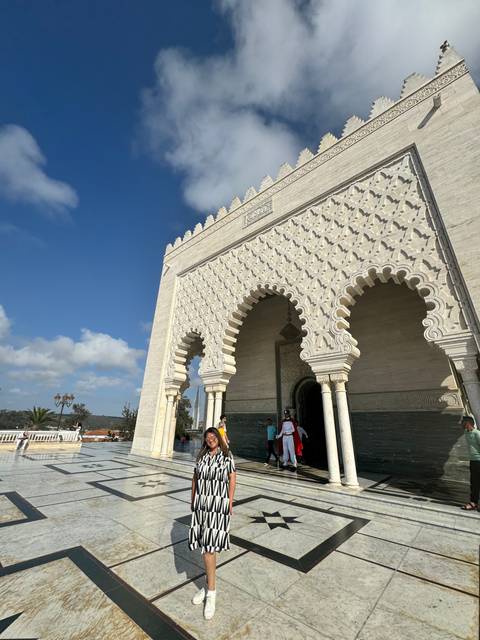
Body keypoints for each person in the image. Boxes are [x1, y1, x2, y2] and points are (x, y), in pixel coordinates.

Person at [189, 427, 236, 620]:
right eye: (208, 437)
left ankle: (211, 594)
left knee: (209, 549)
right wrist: (192, 500)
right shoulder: (202, 457)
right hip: (202, 505)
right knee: (206, 548)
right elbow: (195, 477)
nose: (211, 439)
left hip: (217, 505)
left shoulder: (227, 456)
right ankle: (207, 585)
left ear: (219, 438)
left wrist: (230, 501)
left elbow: (232, 477)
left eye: (213, 436)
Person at [461, 415, 480, 511]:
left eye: (463, 422)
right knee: (474, 483)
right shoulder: (466, 432)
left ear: (468, 423)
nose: (461, 424)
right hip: (473, 461)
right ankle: (473, 502)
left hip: (479, 461)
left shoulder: (477, 434)